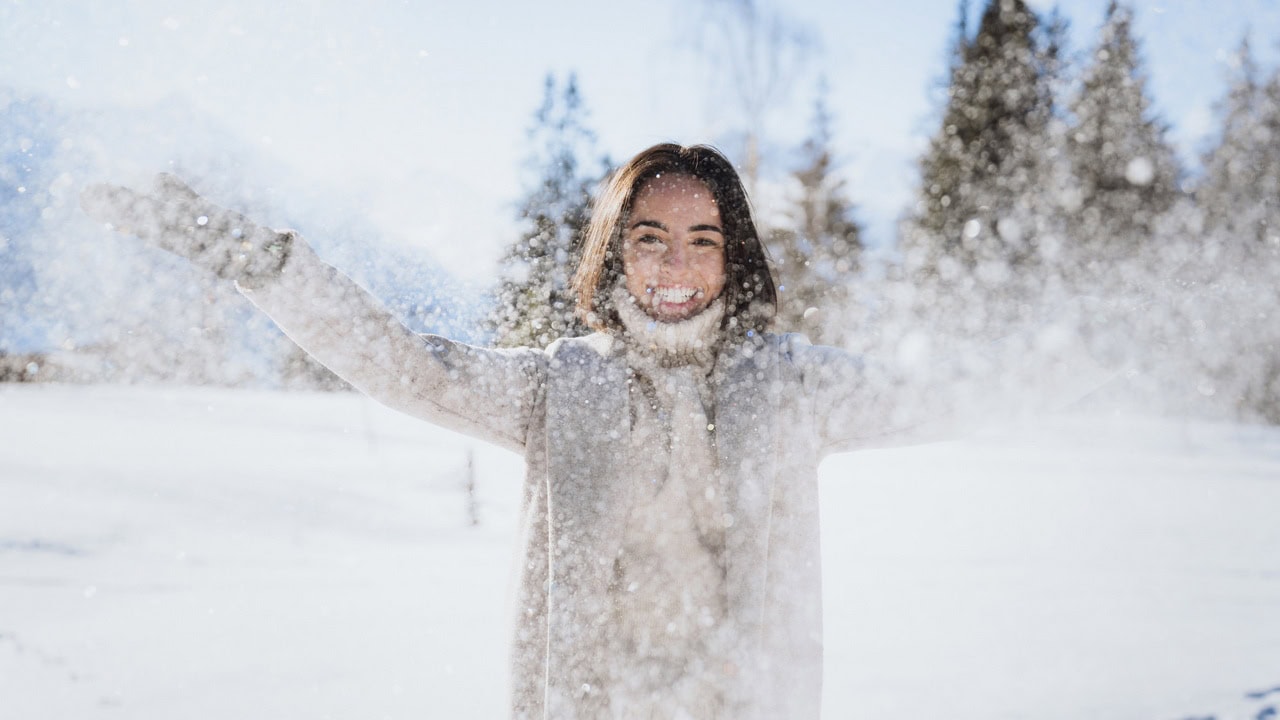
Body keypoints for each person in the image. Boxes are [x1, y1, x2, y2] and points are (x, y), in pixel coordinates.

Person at [80, 143, 1114, 719]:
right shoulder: (554, 390)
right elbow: (396, 359)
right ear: (612, 255)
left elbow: (951, 394)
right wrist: (261, 264)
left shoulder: (794, 386)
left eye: (701, 241)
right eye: (649, 238)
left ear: (733, 258)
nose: (674, 268)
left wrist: (1095, 355)